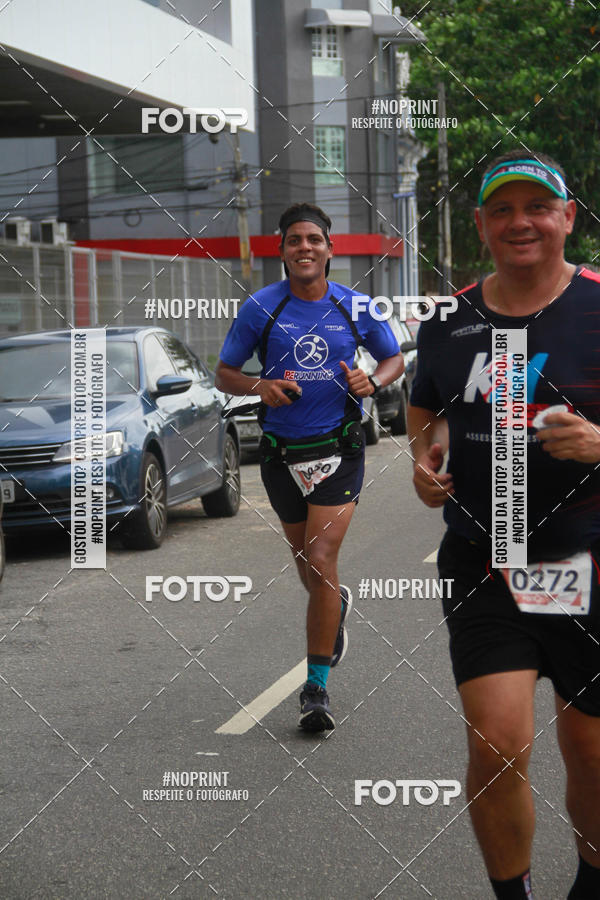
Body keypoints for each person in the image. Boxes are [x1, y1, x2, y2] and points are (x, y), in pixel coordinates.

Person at [408, 150, 600, 899]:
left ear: (567, 218)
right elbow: (426, 412)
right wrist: (425, 467)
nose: (521, 222)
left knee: (589, 750)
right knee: (497, 744)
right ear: (482, 224)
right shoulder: (450, 322)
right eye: (503, 210)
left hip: (587, 557)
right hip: (485, 561)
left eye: (537, 208)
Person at [215, 202, 403, 732]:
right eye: (294, 239)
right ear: (281, 249)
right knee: (307, 565)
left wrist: (374, 380)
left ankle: (316, 690)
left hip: (339, 448)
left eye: (314, 240)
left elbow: (394, 359)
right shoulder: (260, 308)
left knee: (320, 557)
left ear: (329, 248)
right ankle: (334, 603)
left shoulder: (356, 307)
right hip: (280, 454)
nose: (305, 248)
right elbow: (225, 372)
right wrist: (262, 386)